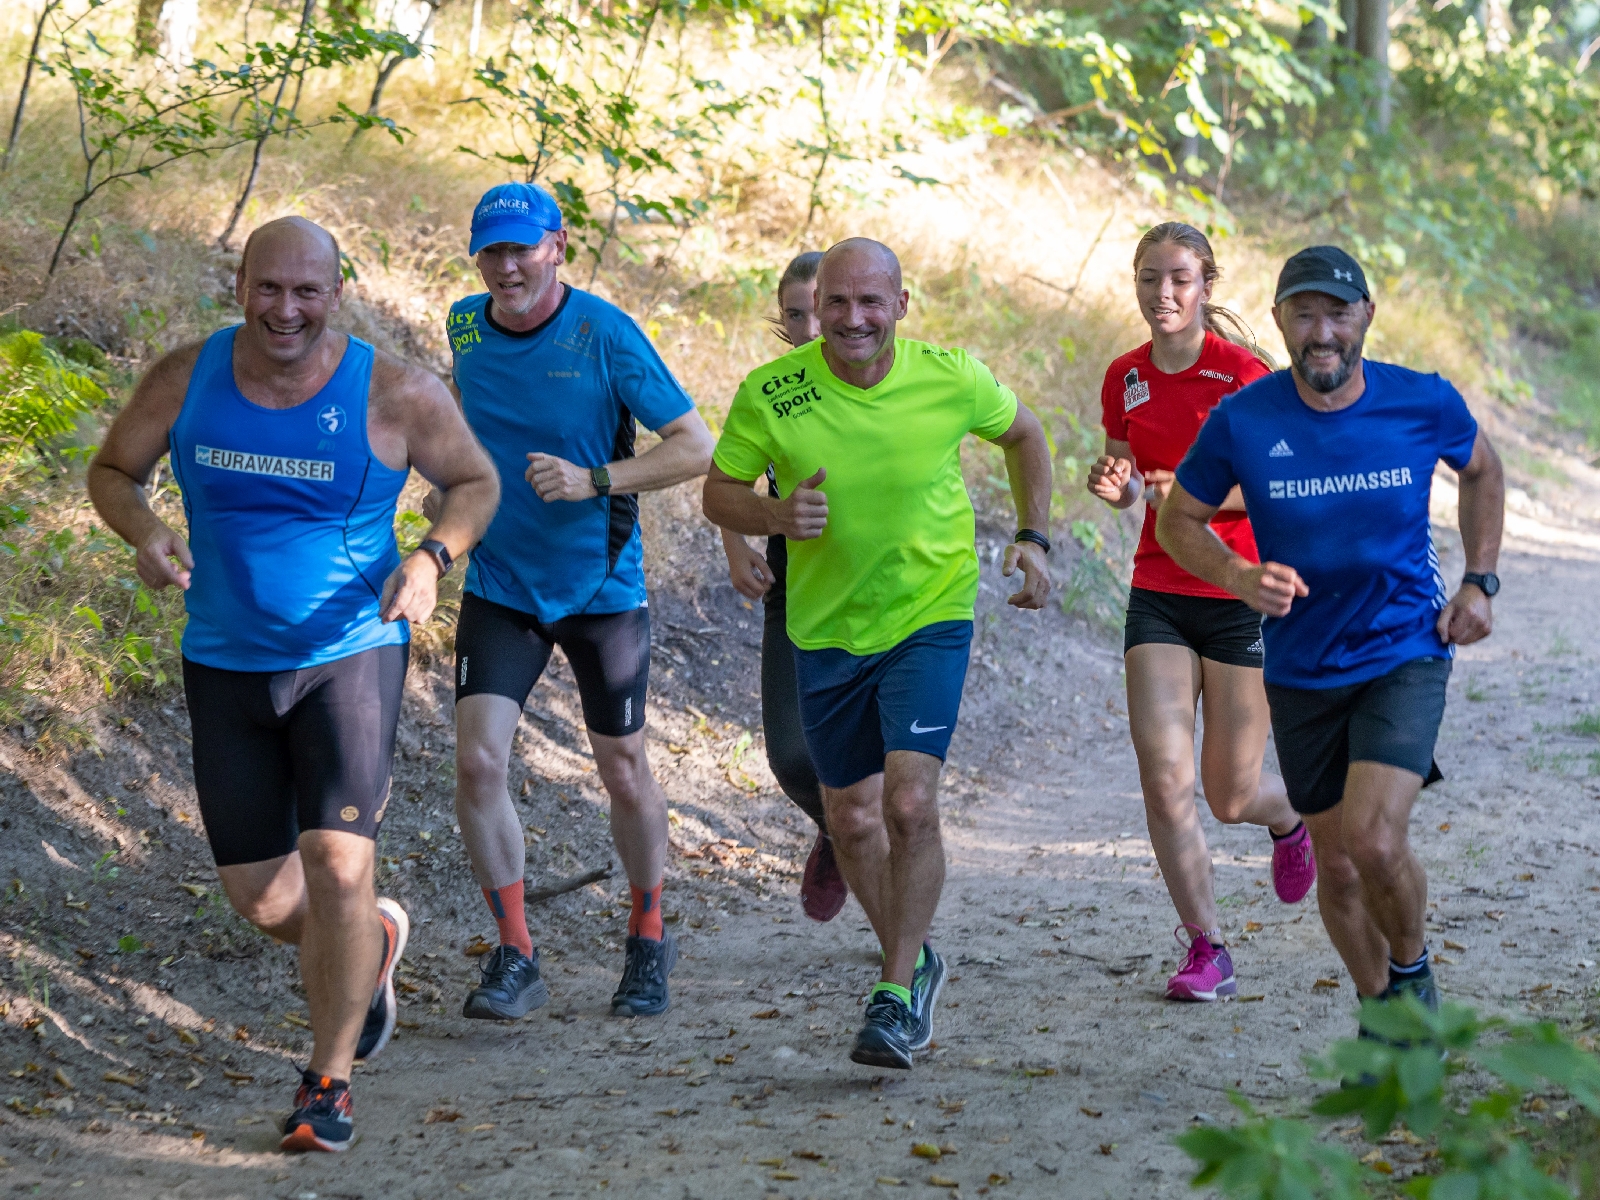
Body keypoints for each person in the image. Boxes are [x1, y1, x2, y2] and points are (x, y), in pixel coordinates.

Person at [87, 216, 501, 1152]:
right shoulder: (187, 379)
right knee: (267, 902)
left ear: (337, 294)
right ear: (240, 286)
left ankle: (329, 1084)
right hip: (224, 661)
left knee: (339, 864)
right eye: (269, 288)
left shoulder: (394, 392)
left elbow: (474, 482)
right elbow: (113, 470)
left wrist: (436, 556)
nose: (286, 308)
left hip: (349, 653)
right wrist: (145, 533)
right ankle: (374, 943)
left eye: (306, 291)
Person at [703, 238, 1054, 1070]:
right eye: (837, 304)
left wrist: (1033, 536)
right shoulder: (772, 392)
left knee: (907, 804)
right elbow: (721, 490)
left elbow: (1026, 435)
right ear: (815, 307)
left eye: (872, 303)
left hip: (929, 614)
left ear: (903, 303)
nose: (854, 320)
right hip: (824, 628)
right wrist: (776, 521)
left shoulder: (950, 376)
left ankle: (895, 992)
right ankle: (914, 952)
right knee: (851, 817)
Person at [1157, 245, 1503, 1032]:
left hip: (1403, 650)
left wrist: (1480, 580)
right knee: (1340, 871)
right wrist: (1241, 578)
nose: (1322, 333)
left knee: (1376, 841)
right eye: (1304, 313)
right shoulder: (1244, 419)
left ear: (1366, 318)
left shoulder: (1421, 401)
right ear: (1278, 321)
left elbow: (1483, 470)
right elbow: (1178, 519)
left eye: (1337, 313)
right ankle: (1381, 1014)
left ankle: (1413, 979)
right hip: (1302, 667)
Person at [441, 182, 715, 1023]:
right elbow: (462, 414)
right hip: (500, 581)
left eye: (524, 248)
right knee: (478, 762)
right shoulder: (463, 324)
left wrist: (593, 480)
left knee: (623, 769)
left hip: (600, 587)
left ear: (558, 246)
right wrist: (454, 489)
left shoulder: (604, 332)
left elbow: (695, 447)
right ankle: (516, 951)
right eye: (493, 250)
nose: (508, 265)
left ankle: (648, 932)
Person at [1087, 223, 1314, 1004]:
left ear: (1207, 285)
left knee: (1230, 796)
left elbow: (1282, 484)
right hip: (1160, 591)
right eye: (1150, 278)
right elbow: (1127, 485)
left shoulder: (1245, 376)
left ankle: (1287, 818)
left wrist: (1191, 496)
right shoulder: (1124, 376)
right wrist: (1117, 485)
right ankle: (1206, 945)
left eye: (1180, 278)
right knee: (1164, 780)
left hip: (1239, 592)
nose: (1164, 294)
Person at [718, 250, 848, 923]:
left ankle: (885, 868)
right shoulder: (770, 390)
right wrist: (737, 546)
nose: (809, 327)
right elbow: (729, 482)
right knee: (792, 756)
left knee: (883, 769)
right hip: (794, 592)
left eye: (816, 309)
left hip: (885, 601)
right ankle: (838, 828)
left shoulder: (886, 382)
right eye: (794, 315)